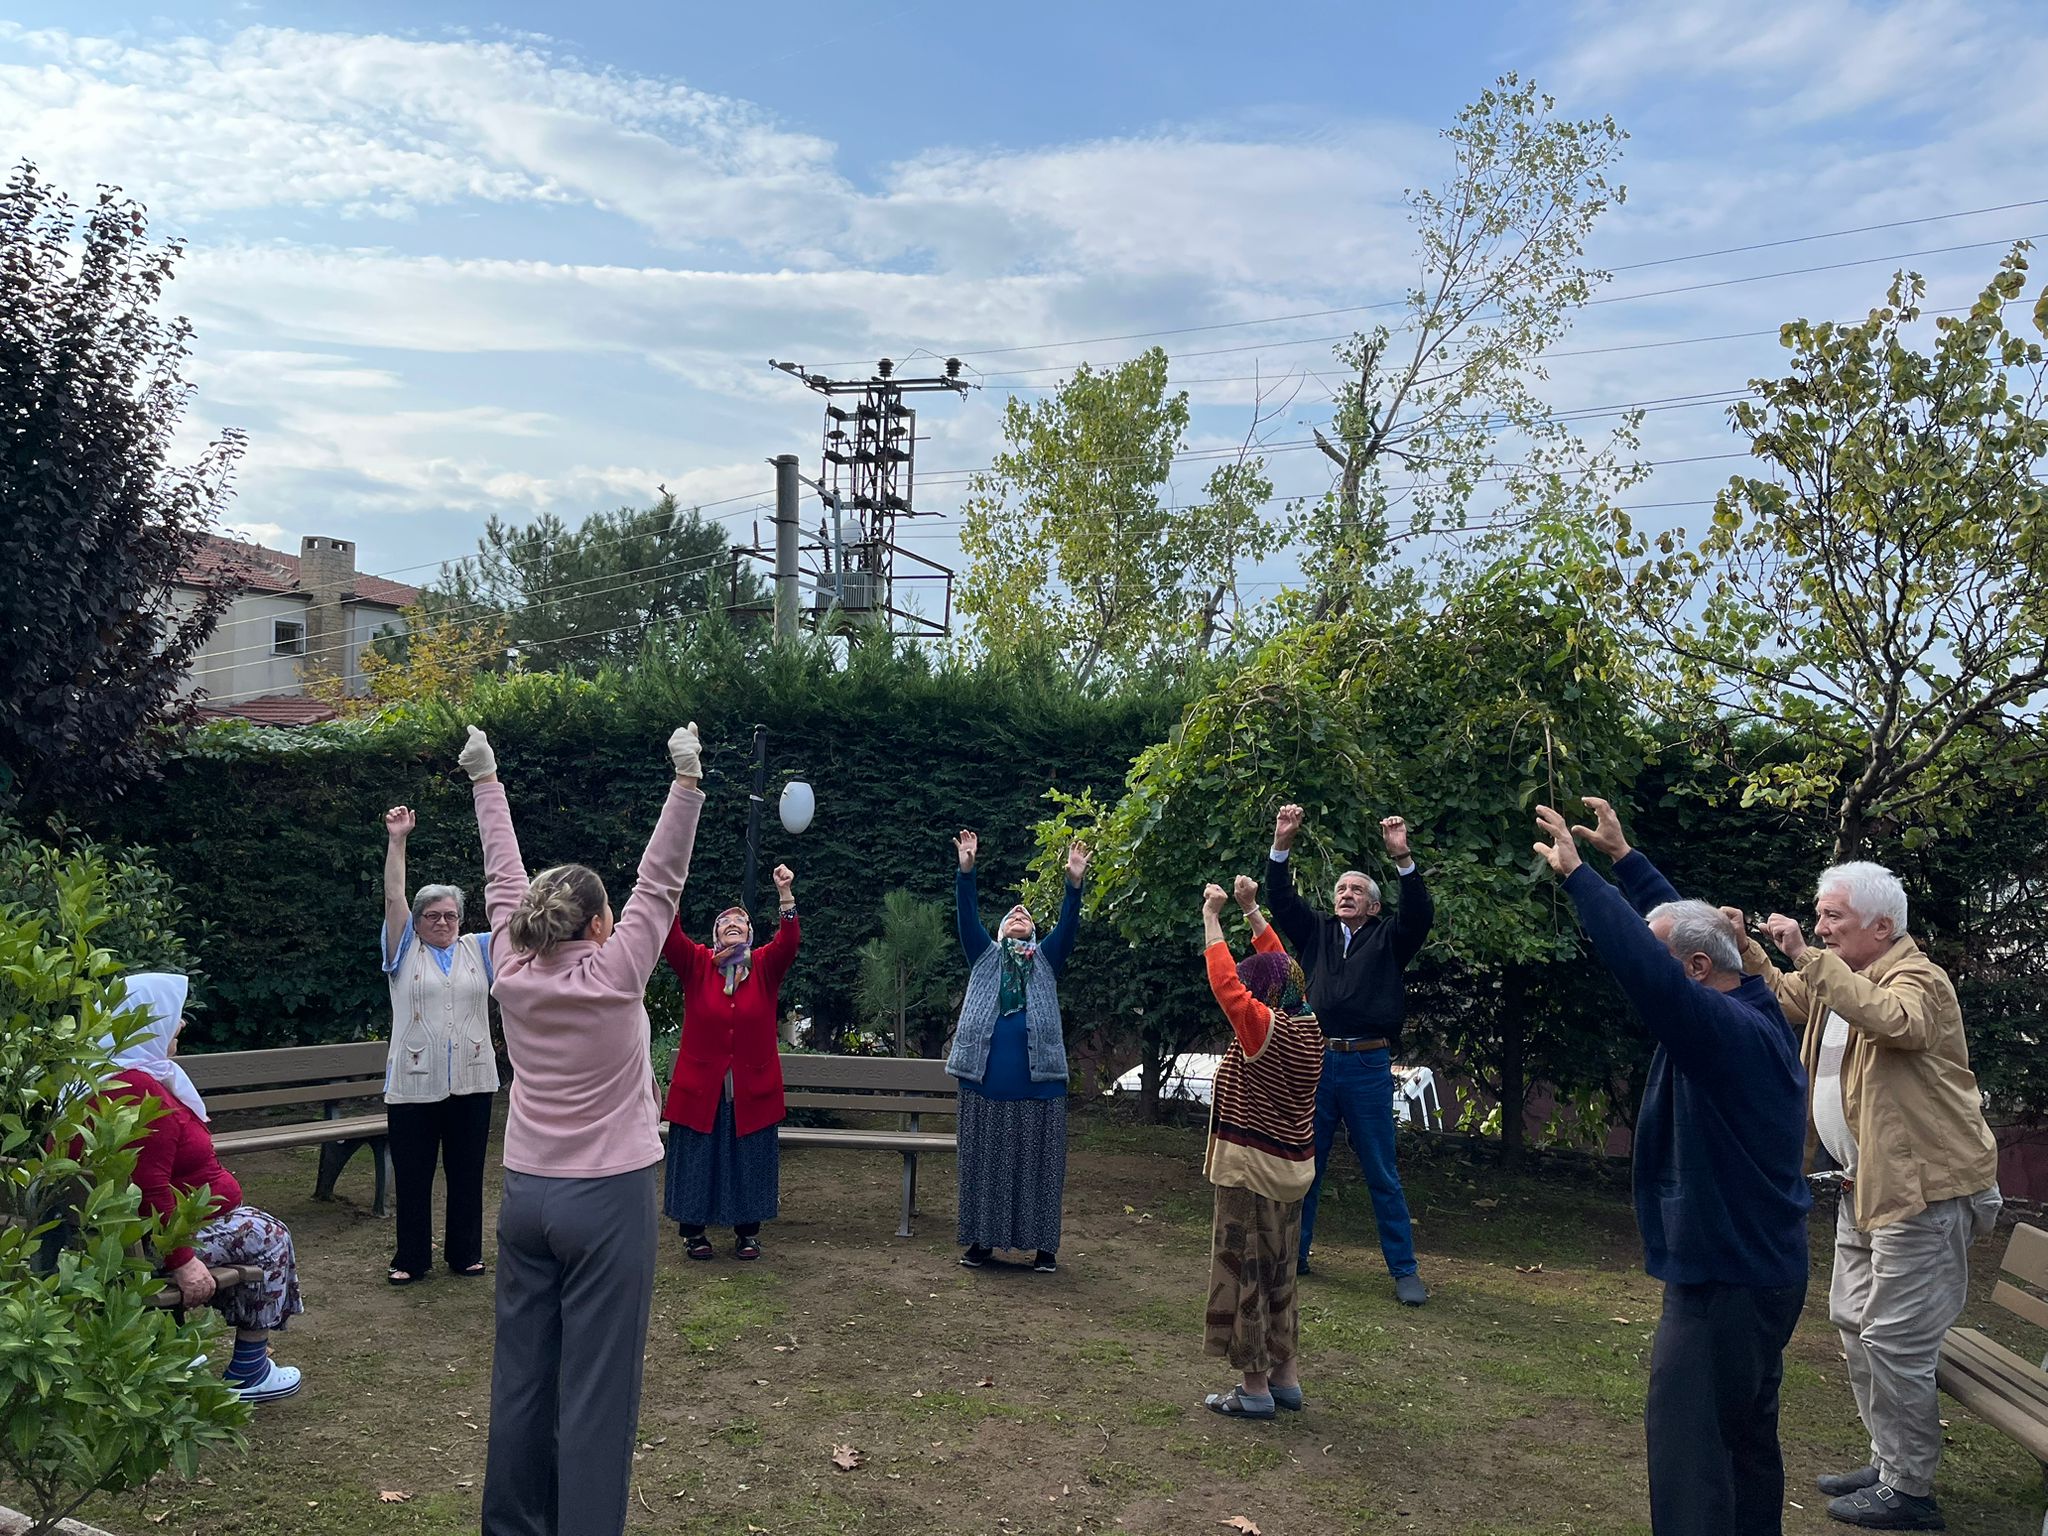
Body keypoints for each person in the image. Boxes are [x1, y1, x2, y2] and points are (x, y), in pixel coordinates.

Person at [1534, 800, 1811, 1536]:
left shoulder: (1725, 1035)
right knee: (1741, 1446)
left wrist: (1581, 881)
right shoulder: (1742, 998)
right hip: (1757, 1274)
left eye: (1675, 965)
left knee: (1691, 1459)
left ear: (1696, 971)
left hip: (1725, 1282)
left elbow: (1650, 969)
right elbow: (1683, 930)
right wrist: (1627, 861)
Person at [462, 721, 706, 1536]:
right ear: (600, 925)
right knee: (597, 1391)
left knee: (523, 1381)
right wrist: (686, 785)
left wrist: (486, 779)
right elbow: (662, 881)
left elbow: (503, 878)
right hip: (607, 1201)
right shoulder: (615, 973)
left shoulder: (512, 968)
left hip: (528, 1195)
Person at [1738, 859, 2002, 1532]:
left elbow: (1898, 1023)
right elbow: (1786, 996)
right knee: (1856, 1324)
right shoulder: (1841, 980)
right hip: (1866, 1185)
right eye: (1819, 915)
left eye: (1834, 918)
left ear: (1882, 927)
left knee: (1894, 1340)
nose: (1820, 927)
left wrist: (1806, 952)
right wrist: (1746, 946)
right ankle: (1890, 1463)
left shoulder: (1919, 980)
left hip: (1923, 1193)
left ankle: (1910, 1489)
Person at [106, 972, 306, 1404]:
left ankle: (175, 1352)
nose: (180, 1025)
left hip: (118, 1237)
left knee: (253, 1225)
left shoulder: (102, 1076)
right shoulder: (140, 1090)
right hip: (149, 1242)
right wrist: (181, 1261)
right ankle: (250, 1371)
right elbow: (147, 1186)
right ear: (150, 1023)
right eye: (174, 1017)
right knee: (268, 1235)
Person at [1265, 803, 1433, 1303]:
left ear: (1374, 906)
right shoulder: (1315, 932)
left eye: (1357, 889)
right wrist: (1282, 843)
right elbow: (1280, 899)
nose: (1346, 893)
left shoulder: (1390, 938)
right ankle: (1295, 1256)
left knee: (1381, 1169)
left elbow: (1420, 913)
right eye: (1341, 888)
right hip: (1315, 1060)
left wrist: (1402, 857)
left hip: (1367, 1064)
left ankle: (1404, 1271)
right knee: (1304, 1164)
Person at [1197, 876, 1324, 1420]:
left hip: (1250, 1174)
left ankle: (1253, 1389)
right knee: (1280, 1274)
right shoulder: (1307, 1023)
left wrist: (1212, 917)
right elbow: (1281, 968)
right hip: (1290, 1173)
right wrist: (1252, 912)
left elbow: (1228, 986)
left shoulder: (1262, 1029)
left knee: (1245, 1275)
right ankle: (1286, 1378)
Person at [944, 829, 1088, 1273]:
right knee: (984, 1167)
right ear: (1001, 930)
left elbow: (1068, 926)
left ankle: (1043, 1248)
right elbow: (967, 916)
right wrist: (966, 870)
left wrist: (1074, 885)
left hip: (1039, 1089)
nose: (1019, 915)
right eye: (1012, 915)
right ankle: (981, 1244)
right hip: (984, 1085)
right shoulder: (984, 955)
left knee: (1039, 1170)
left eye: (1026, 914)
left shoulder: (1046, 958)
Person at [378, 804, 499, 1286]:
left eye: (450, 915)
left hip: (472, 1079)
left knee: (467, 1173)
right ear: (419, 921)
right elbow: (393, 898)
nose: (443, 922)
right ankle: (410, 1257)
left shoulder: (479, 948)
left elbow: (519, 924)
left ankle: (465, 1252)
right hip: (413, 1084)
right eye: (433, 915)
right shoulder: (405, 951)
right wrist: (398, 840)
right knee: (413, 1175)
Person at [660, 864, 800, 1261]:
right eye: (726, 923)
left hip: (751, 1088)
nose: (734, 924)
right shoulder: (697, 964)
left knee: (749, 1156)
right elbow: (670, 938)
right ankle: (694, 1232)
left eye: (741, 921)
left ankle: (747, 1233)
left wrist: (785, 894)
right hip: (700, 1086)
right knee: (698, 1155)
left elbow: (789, 941)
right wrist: (674, 891)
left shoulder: (764, 967)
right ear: (716, 934)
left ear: (750, 934)